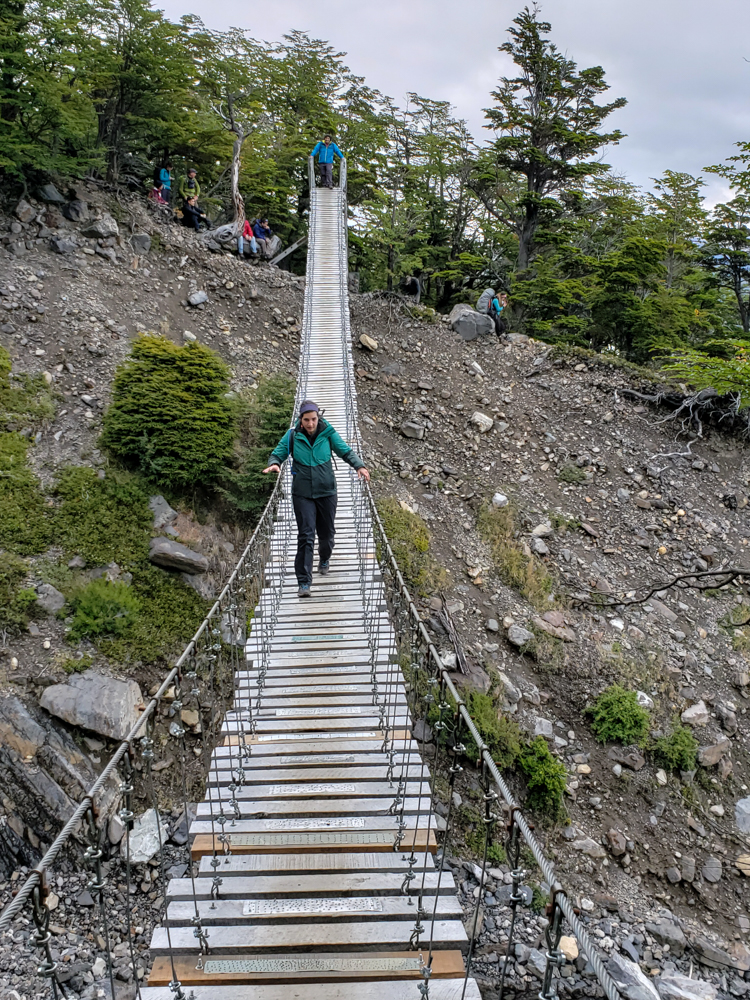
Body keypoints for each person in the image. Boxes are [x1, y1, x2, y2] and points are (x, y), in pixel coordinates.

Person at [263, 400, 370, 597]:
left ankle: (324, 558)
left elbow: (345, 451)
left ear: (318, 417)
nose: (311, 424)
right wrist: (275, 463)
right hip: (302, 494)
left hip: (327, 491)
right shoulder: (292, 436)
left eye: (313, 419)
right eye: (306, 420)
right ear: (300, 420)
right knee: (305, 536)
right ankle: (304, 582)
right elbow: (278, 453)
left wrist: (359, 466)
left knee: (327, 534)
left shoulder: (327, 433)